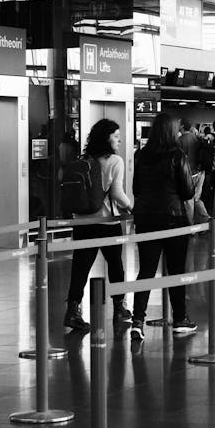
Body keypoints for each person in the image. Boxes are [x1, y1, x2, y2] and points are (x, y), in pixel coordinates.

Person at [130, 113, 198, 340]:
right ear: (171, 131)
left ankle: (137, 321)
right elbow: (187, 191)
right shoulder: (177, 154)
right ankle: (180, 318)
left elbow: (136, 189)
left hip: (146, 218)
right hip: (173, 219)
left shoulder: (141, 155)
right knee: (176, 270)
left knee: (146, 271)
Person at [63, 118, 135, 332]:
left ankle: (72, 311)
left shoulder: (84, 159)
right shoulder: (115, 161)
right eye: (115, 135)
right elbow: (117, 193)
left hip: (82, 221)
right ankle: (119, 307)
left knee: (80, 268)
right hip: (106, 221)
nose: (119, 139)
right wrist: (131, 207)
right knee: (115, 265)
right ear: (106, 138)